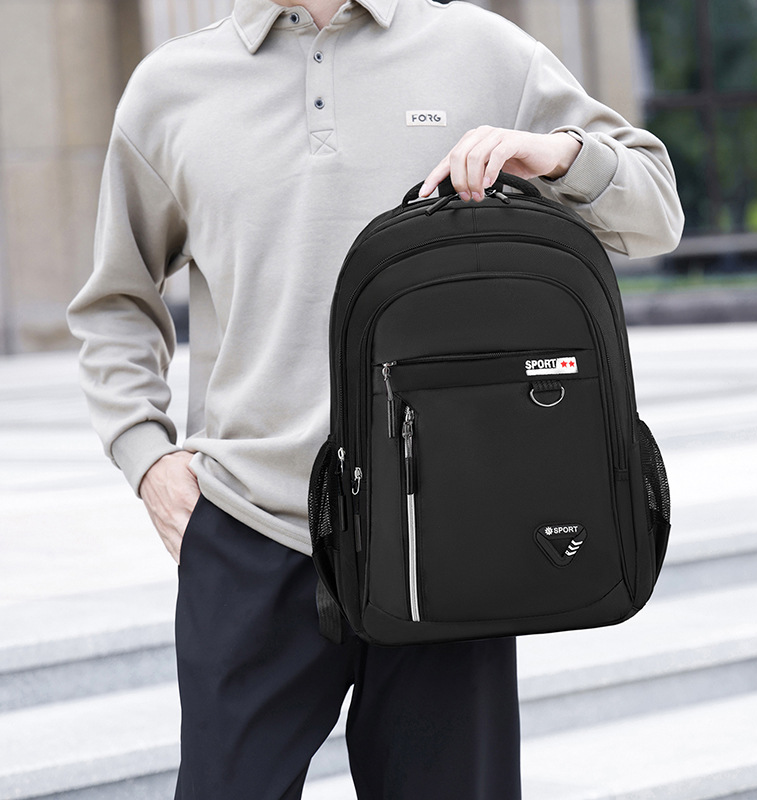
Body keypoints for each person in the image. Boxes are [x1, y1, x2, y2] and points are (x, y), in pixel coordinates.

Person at [67, 0, 684, 797]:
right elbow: (116, 302)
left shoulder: (480, 50)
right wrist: (146, 457)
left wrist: (558, 155)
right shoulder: (171, 88)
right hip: (251, 530)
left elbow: (656, 210)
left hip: (447, 529)